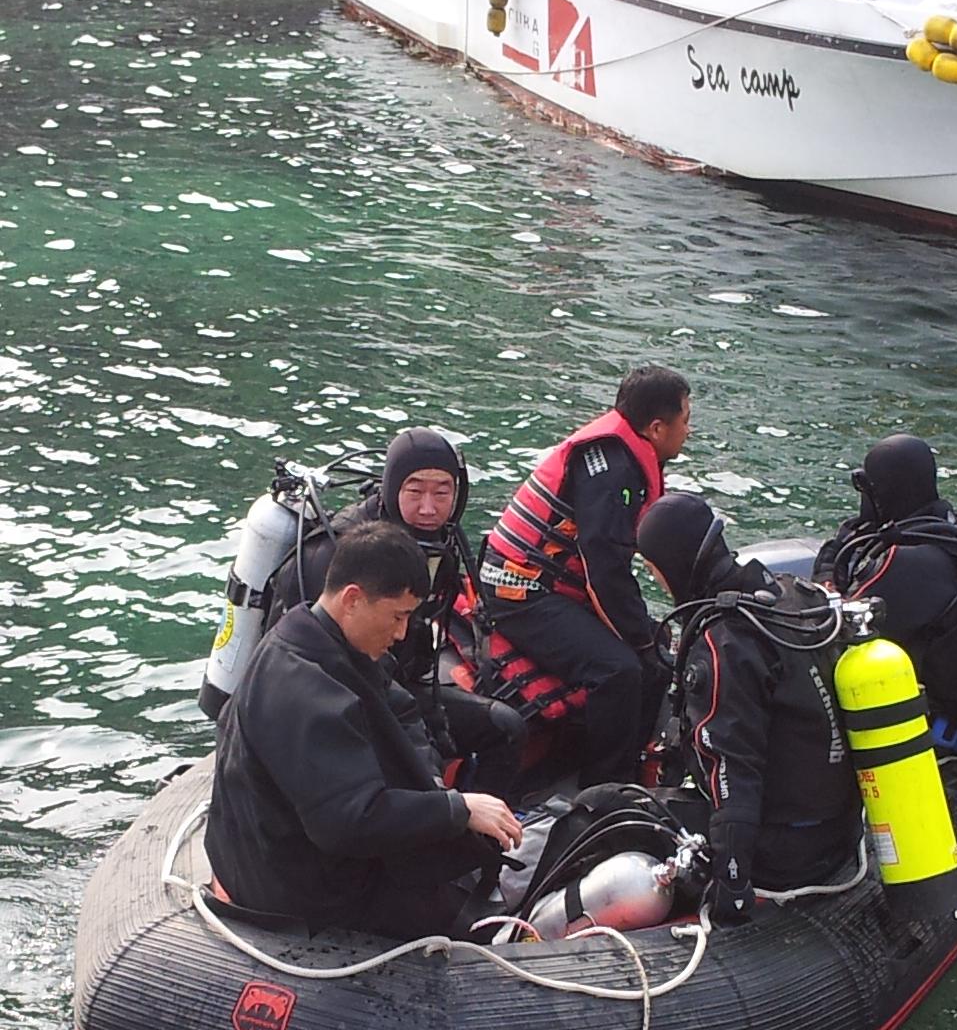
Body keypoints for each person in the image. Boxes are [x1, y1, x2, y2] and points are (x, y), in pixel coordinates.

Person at [205, 522, 523, 940]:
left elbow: (403, 711)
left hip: (296, 849)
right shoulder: (302, 690)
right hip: (294, 890)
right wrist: (457, 809)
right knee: (466, 919)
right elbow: (347, 823)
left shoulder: (317, 639)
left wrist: (431, 788)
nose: (402, 633)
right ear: (353, 599)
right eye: (398, 616)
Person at [636, 492, 862, 924]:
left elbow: (733, 771)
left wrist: (734, 882)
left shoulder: (723, 644)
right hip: (839, 832)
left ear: (673, 564)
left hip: (782, 855)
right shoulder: (794, 595)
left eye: (653, 570)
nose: (657, 581)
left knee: (604, 807)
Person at [267, 428, 526, 799]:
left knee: (506, 727)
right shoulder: (334, 554)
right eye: (414, 491)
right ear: (391, 488)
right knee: (417, 771)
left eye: (442, 493)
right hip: (334, 700)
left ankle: (483, 830)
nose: (428, 508)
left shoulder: (441, 545)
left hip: (396, 685)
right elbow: (291, 663)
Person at [479, 366, 692, 787]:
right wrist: (641, 641)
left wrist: (650, 638)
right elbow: (605, 570)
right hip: (520, 591)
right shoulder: (613, 473)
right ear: (656, 428)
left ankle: (628, 761)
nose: (689, 430)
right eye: (685, 420)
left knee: (655, 652)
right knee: (620, 670)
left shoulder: (619, 455)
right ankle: (605, 787)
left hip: (547, 584)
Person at [813, 433, 957, 747]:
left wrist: (826, 574)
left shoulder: (906, 565)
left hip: (924, 734)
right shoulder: (955, 535)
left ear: (881, 493)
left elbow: (829, 627)